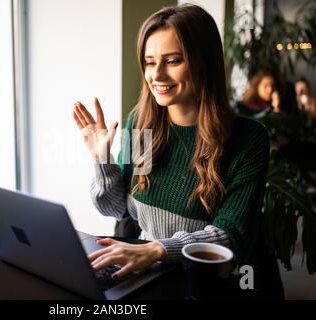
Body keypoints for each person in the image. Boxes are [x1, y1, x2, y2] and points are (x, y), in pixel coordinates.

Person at [72, 4, 279, 296]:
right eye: (149, 62)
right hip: (147, 266)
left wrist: (158, 250)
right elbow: (117, 209)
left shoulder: (247, 139)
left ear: (203, 62)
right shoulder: (142, 124)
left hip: (207, 280)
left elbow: (231, 235)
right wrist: (101, 160)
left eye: (172, 61)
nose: (156, 74)